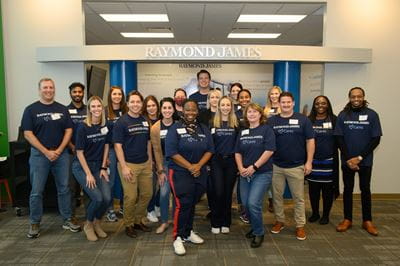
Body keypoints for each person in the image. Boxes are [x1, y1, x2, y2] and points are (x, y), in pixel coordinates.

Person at [21, 78, 80, 238]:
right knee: (36, 191)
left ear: (54, 89)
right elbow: (28, 134)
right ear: (39, 89)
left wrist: (59, 150)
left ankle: (68, 218)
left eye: (51, 87)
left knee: (65, 188)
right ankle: (34, 222)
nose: (49, 90)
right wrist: (46, 151)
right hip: (39, 155)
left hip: (61, 155)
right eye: (45, 87)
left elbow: (68, 130)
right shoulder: (31, 110)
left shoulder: (62, 109)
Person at [165, 99, 214, 256]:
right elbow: (172, 152)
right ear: (182, 111)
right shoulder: (174, 128)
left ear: (197, 112)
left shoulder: (203, 128)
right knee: (182, 204)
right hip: (179, 172)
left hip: (199, 172)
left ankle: (187, 232)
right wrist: (190, 166)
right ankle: (177, 237)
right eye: (188, 110)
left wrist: (198, 165)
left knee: (192, 203)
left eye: (193, 110)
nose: (191, 113)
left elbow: (210, 150)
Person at [334, 87, 382, 236]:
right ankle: (347, 219)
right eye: (353, 96)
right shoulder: (343, 115)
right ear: (349, 98)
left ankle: (367, 220)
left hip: (365, 161)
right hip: (347, 161)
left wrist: (359, 158)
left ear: (363, 97)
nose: (356, 99)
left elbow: (376, 139)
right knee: (348, 190)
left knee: (365, 189)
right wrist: (349, 158)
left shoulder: (372, 115)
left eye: (359, 96)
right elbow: (339, 138)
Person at [268, 92, 315, 241]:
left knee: (298, 198)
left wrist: (309, 162)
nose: (286, 105)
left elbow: (310, 141)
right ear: (279, 104)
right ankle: (279, 221)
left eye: (289, 102)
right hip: (276, 165)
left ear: (293, 103)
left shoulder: (303, 120)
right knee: (276, 196)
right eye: (283, 102)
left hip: (297, 166)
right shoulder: (272, 121)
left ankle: (300, 225)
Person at [235, 103, 275, 248]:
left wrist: (255, 166)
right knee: (245, 204)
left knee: (253, 203)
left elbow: (269, 150)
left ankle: (259, 232)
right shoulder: (243, 132)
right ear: (246, 115)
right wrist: (240, 167)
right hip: (245, 173)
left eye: (254, 112)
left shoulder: (266, 130)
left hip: (262, 173)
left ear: (260, 115)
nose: (251, 114)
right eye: (249, 112)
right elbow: (237, 152)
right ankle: (255, 226)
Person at [113, 91, 153, 238]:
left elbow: (148, 141)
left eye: (138, 102)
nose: (136, 104)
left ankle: (138, 220)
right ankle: (128, 224)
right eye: (133, 102)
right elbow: (117, 146)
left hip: (145, 164)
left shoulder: (144, 120)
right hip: (129, 165)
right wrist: (123, 166)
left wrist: (149, 160)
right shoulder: (121, 122)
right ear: (128, 104)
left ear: (141, 104)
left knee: (147, 194)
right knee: (131, 196)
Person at [72, 96, 111, 241]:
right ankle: (88, 224)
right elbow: (79, 152)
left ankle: (96, 222)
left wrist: (103, 167)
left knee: (107, 198)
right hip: (82, 167)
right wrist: (88, 174)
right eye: (93, 106)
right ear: (89, 109)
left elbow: (106, 145)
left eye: (98, 106)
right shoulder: (83, 127)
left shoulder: (106, 125)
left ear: (102, 108)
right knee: (97, 198)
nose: (96, 109)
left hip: (98, 166)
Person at [306, 95, 339, 225]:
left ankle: (325, 215)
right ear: (314, 105)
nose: (320, 105)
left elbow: (339, 139)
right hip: (312, 161)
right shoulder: (308, 120)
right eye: (317, 103)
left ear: (328, 105)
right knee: (313, 190)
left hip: (329, 161)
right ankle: (315, 213)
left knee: (327, 191)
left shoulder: (334, 120)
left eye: (323, 103)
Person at [209, 96, 239, 234]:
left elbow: (240, 145)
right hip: (216, 161)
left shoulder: (237, 124)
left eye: (228, 105)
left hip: (232, 162)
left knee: (227, 193)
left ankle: (226, 221)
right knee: (218, 192)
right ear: (219, 107)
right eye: (223, 105)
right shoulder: (212, 123)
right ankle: (215, 221)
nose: (226, 107)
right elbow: (209, 145)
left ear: (231, 107)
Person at [150, 97, 176, 234]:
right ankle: (165, 221)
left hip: (178, 164)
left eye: (169, 108)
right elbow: (156, 150)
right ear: (161, 110)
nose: (167, 110)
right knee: (164, 193)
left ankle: (176, 220)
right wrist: (160, 171)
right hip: (164, 163)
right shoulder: (155, 128)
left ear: (174, 109)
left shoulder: (179, 125)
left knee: (178, 193)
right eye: (164, 108)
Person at [105, 86, 128, 222]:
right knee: (111, 181)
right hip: (112, 151)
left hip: (126, 150)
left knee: (126, 178)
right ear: (110, 95)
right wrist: (106, 155)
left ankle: (125, 207)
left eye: (119, 94)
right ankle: (110, 210)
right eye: (114, 94)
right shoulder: (105, 111)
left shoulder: (126, 111)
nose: (117, 96)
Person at [66, 82, 87, 221]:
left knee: (88, 186)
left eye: (80, 92)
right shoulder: (65, 110)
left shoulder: (89, 110)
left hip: (88, 154)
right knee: (71, 187)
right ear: (70, 93)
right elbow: (63, 131)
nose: (78, 94)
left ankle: (89, 215)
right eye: (75, 92)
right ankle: (71, 216)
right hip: (71, 153)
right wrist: (71, 145)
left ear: (83, 93)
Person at [264, 85, 283, 213]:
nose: (274, 96)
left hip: (281, 145)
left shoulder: (285, 108)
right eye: (272, 94)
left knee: (278, 177)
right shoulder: (265, 110)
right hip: (267, 145)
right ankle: (271, 200)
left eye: (276, 94)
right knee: (270, 175)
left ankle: (277, 201)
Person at [143, 95, 161, 223]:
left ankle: (157, 205)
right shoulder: (143, 121)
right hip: (148, 158)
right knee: (152, 186)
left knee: (162, 185)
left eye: (153, 105)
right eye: (148, 106)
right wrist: (150, 160)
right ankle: (150, 210)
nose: (151, 108)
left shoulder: (163, 119)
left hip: (161, 156)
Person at [234, 88, 252, 223]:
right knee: (242, 179)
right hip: (240, 151)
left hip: (254, 151)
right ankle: (243, 207)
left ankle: (252, 208)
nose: (244, 99)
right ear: (238, 99)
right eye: (241, 97)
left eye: (247, 97)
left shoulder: (255, 111)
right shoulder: (235, 114)